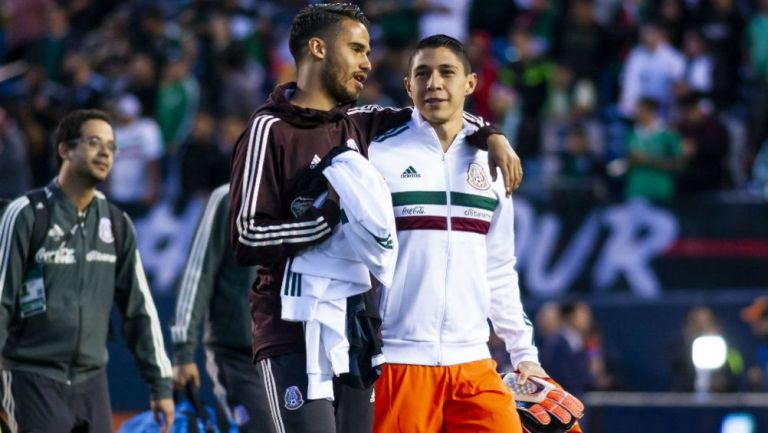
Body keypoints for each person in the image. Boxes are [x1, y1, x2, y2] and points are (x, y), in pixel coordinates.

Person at [228, 4, 521, 433]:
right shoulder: (268, 128)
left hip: (357, 333)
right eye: (357, 49)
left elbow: (439, 112)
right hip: (292, 331)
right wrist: (327, 216)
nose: (368, 62)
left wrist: (492, 136)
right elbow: (245, 236)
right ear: (318, 49)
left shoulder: (360, 123)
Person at [368, 34, 545, 433]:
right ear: (408, 86)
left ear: (470, 83)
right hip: (399, 361)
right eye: (423, 74)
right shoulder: (378, 156)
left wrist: (523, 354)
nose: (434, 83)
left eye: (447, 72)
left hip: (474, 362)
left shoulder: (494, 164)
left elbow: (499, 269)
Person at [0, 109, 174, 432]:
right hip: (32, 377)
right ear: (64, 149)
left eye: (111, 145)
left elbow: (140, 311)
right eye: (94, 142)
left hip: (92, 383)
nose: (105, 152)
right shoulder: (26, 214)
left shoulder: (118, 223)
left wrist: (160, 383)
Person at [170, 183, 264, 432]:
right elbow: (197, 273)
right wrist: (183, 351)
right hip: (237, 356)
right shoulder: (227, 197)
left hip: (295, 356)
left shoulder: (306, 193)